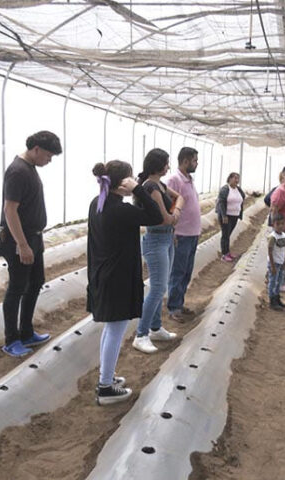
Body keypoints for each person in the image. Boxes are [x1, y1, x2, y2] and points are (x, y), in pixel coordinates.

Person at [87, 160, 163, 404]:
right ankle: (105, 387)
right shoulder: (120, 209)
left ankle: (106, 377)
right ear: (123, 183)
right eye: (131, 178)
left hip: (104, 274)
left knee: (110, 329)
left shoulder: (98, 203)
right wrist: (139, 190)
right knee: (115, 330)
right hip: (117, 277)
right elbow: (155, 216)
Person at [0, 130, 62, 357]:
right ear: (36, 149)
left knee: (36, 281)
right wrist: (22, 245)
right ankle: (11, 339)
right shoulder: (18, 171)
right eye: (48, 155)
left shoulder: (30, 169)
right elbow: (10, 210)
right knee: (17, 287)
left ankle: (26, 331)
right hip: (21, 239)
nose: (49, 160)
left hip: (33, 237)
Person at [133, 149, 185, 354]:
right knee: (157, 287)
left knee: (160, 286)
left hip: (167, 237)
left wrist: (176, 211)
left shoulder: (160, 185)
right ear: (158, 165)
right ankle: (141, 334)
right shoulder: (150, 186)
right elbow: (164, 218)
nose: (168, 167)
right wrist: (174, 214)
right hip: (156, 240)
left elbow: (179, 198)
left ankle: (155, 328)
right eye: (166, 163)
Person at [166, 147, 201, 322]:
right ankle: (173, 308)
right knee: (178, 272)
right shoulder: (174, 180)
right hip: (181, 234)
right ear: (186, 161)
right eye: (194, 160)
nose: (197, 163)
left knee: (187, 272)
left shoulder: (189, 179)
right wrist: (173, 230)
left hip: (192, 233)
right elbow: (169, 206)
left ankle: (179, 303)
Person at [216, 172, 246, 262]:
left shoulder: (238, 189)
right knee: (225, 235)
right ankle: (224, 255)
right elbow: (221, 202)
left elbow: (242, 198)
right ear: (230, 179)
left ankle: (227, 252)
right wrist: (224, 215)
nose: (237, 180)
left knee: (228, 234)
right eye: (235, 178)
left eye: (238, 178)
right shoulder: (225, 189)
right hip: (226, 216)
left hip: (234, 216)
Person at [267, 214, 285, 311]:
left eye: (282, 224)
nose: (280, 226)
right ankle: (272, 300)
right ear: (273, 225)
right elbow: (270, 250)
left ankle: (277, 297)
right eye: (278, 224)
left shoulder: (284, 236)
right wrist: (272, 266)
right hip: (274, 263)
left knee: (279, 281)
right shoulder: (272, 237)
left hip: (281, 262)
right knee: (273, 281)